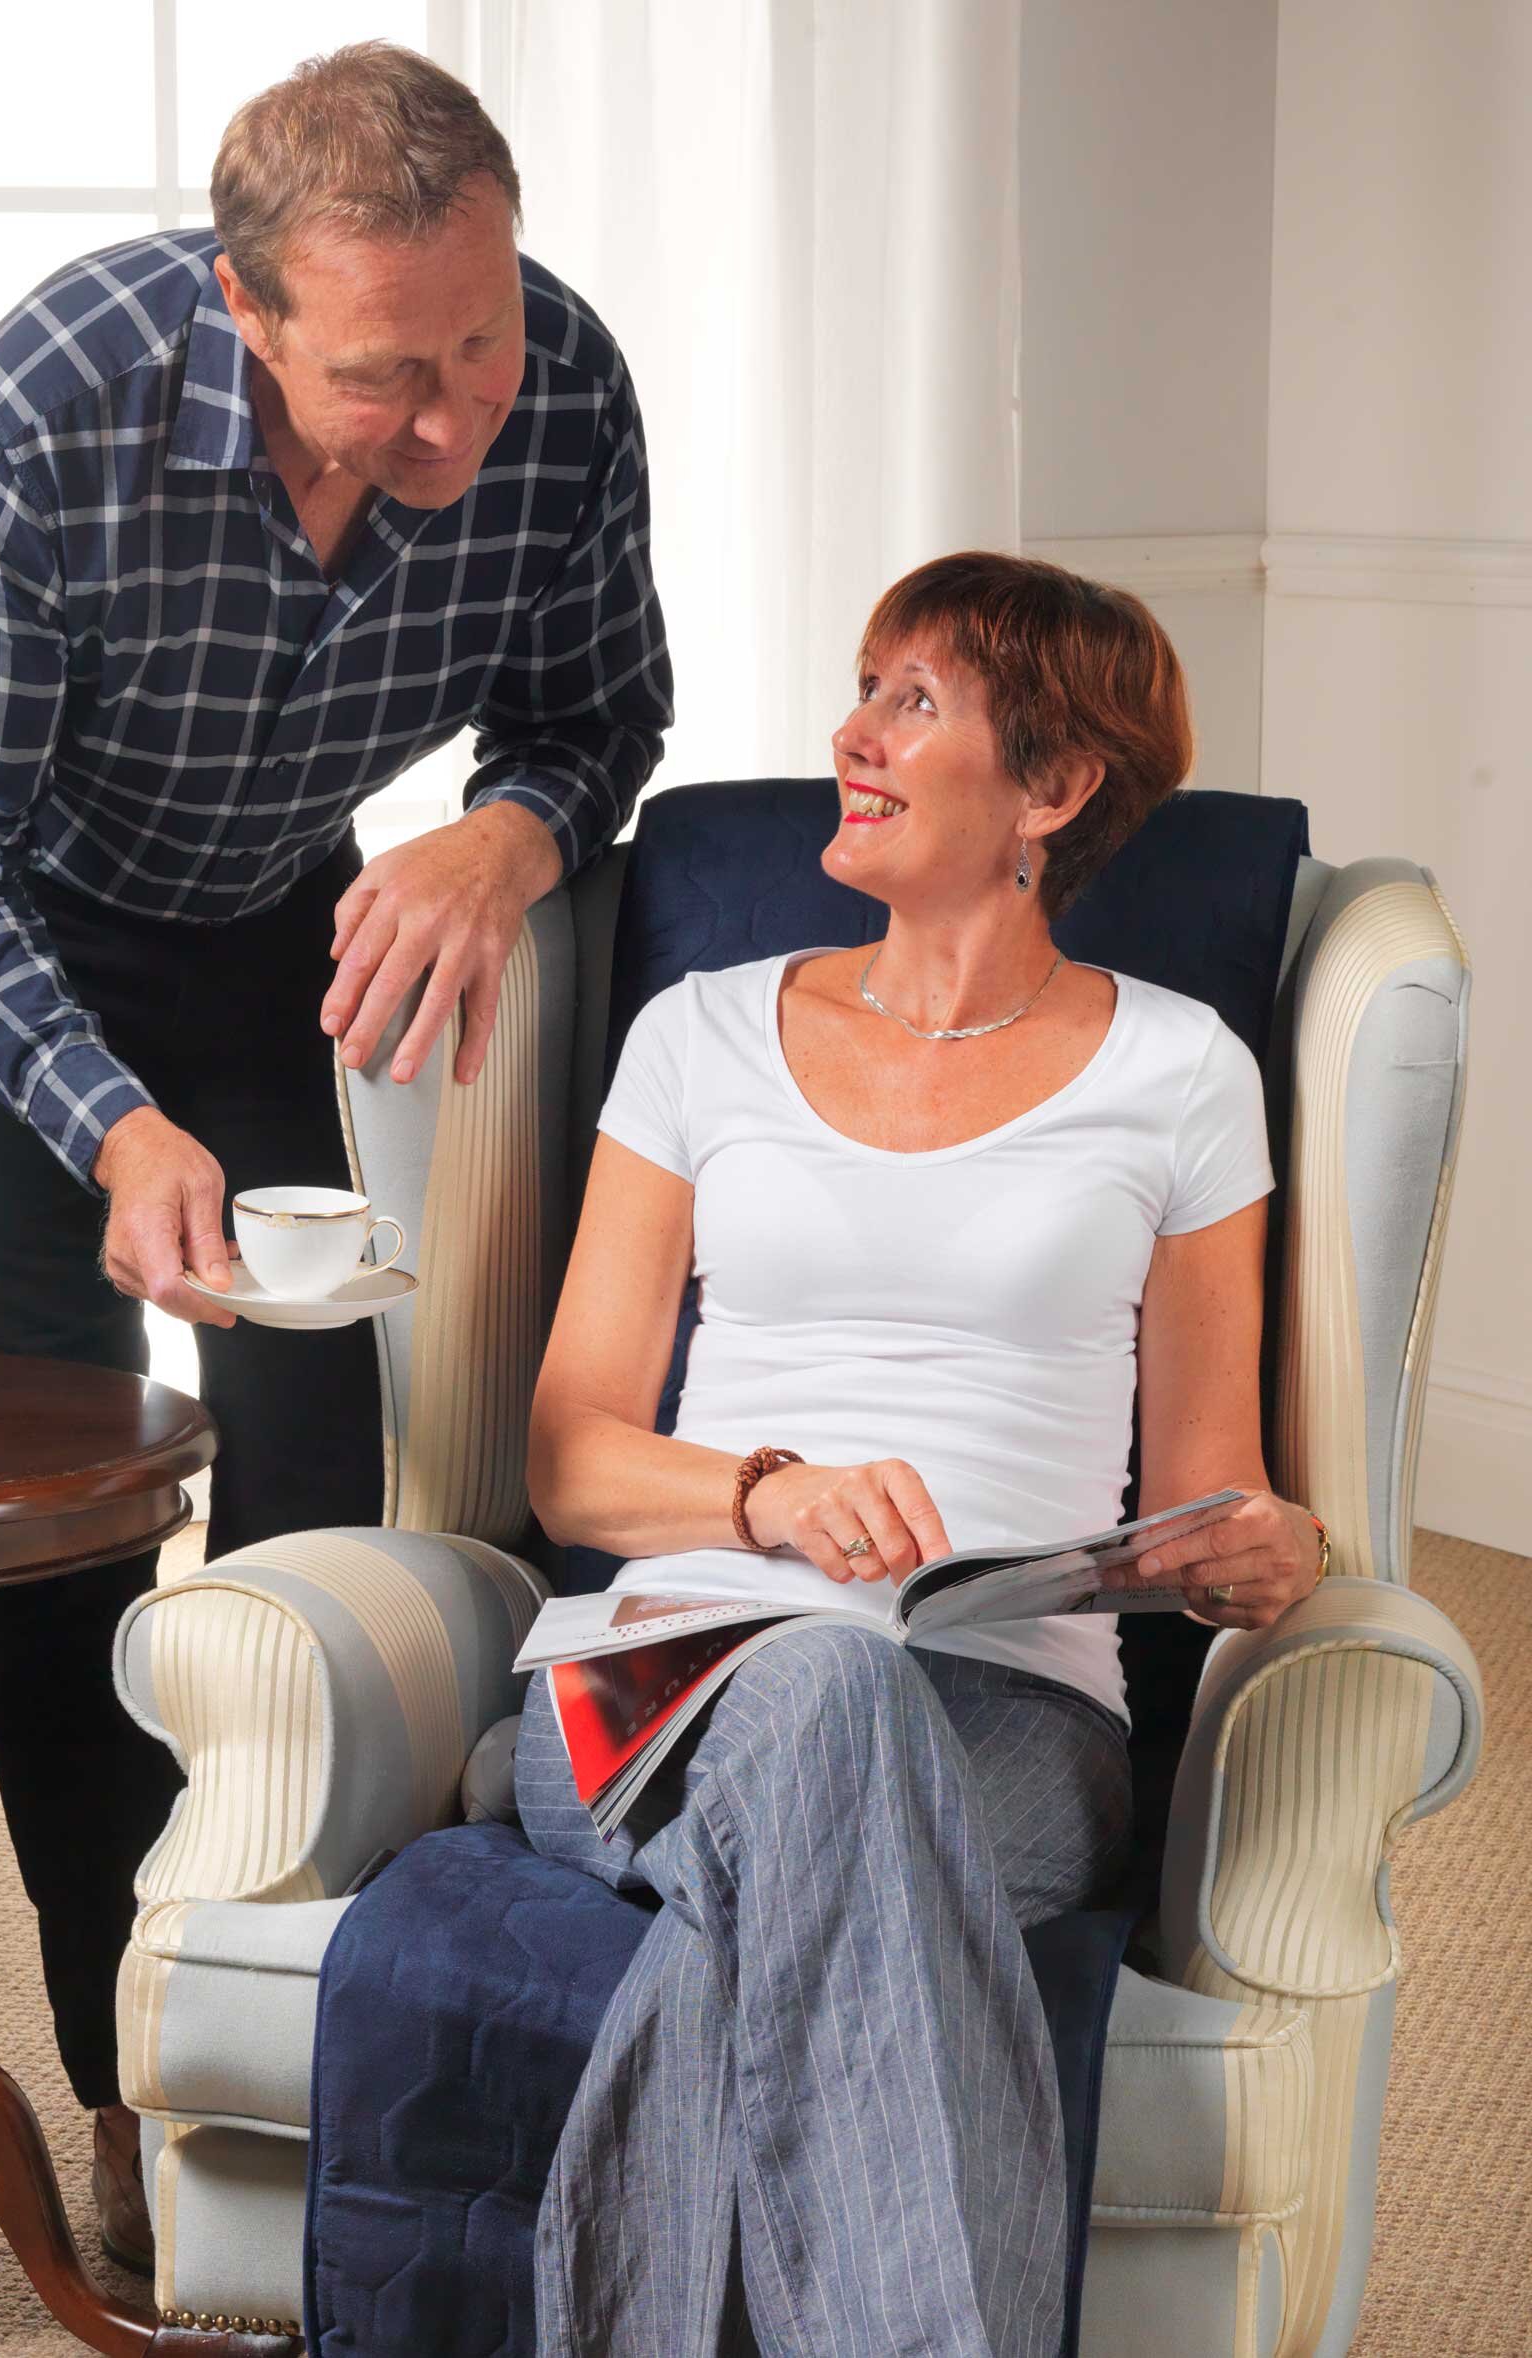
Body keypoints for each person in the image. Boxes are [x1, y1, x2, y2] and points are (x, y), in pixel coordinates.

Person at [0, 42, 670, 2269]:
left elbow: (602, 715)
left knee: (331, 1427)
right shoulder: (55, 405)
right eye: (391, 375)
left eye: (477, 342)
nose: (459, 416)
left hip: (264, 895)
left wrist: (504, 834)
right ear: (243, 312)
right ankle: (125, 2063)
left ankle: (290, 1984)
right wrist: (108, 1126)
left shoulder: (558, 381)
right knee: (77, 1487)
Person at [521, 552, 1327, 2356]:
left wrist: (1272, 1549)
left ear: (1049, 792)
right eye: (863, 685)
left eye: (912, 703)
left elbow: (1214, 1478)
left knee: (819, 1772)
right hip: (657, 1683)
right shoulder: (699, 1034)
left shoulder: (1185, 1074)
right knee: (820, 1685)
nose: (851, 735)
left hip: (1013, 1704)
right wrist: (765, 1493)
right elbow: (572, 1458)